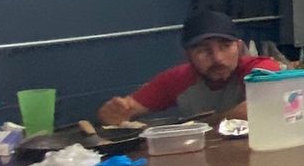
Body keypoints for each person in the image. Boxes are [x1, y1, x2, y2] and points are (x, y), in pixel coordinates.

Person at [98, 10, 283, 125]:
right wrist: (112, 113)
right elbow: (122, 112)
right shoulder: (178, 79)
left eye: (225, 47)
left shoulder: (260, 67)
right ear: (188, 55)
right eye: (203, 51)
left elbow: (257, 109)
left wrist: (202, 124)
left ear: (239, 47)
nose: (217, 58)